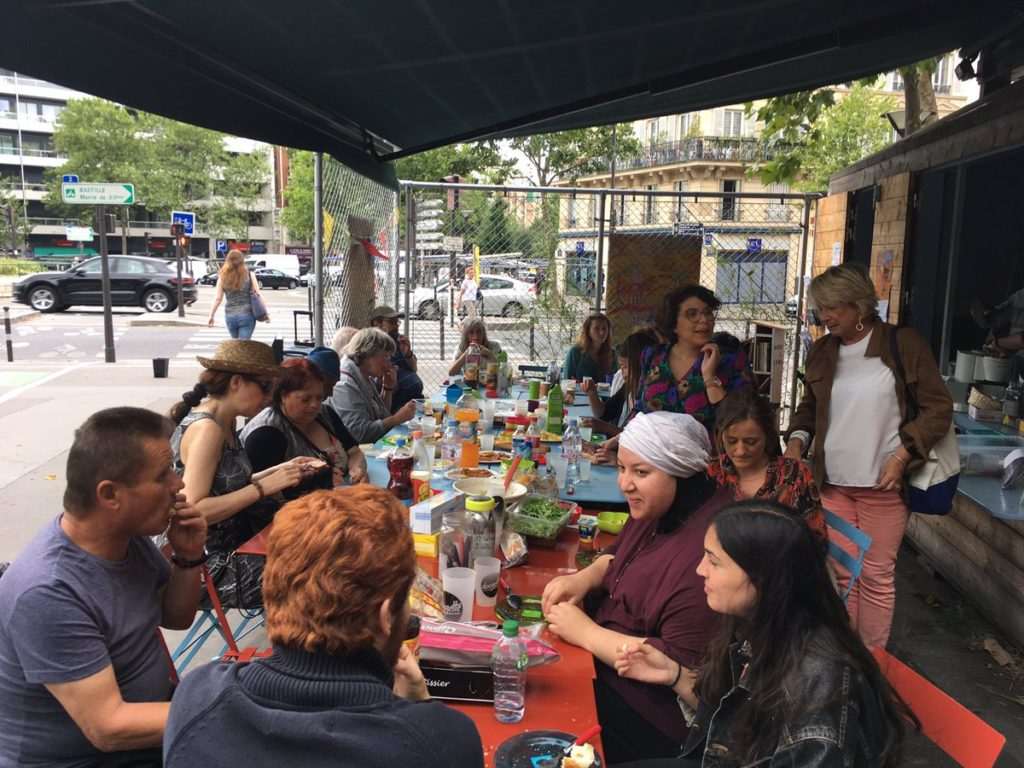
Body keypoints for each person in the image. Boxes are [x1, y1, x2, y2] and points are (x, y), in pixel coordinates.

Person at [163, 485, 484, 768]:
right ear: (386, 617)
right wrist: (420, 708)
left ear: (274, 589)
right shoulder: (443, 741)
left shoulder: (195, 700)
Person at [613, 501, 913, 768]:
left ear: (763, 579)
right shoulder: (763, 628)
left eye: (714, 561)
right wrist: (674, 674)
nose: (700, 570)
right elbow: (733, 720)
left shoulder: (819, 687)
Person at [0, 407, 208, 768]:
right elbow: (108, 727)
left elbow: (176, 617)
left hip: (146, 731)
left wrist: (188, 558)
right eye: (163, 475)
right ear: (110, 495)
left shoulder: (128, 540)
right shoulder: (49, 591)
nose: (179, 484)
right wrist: (223, 704)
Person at [541, 412, 732, 763]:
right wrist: (585, 577)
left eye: (641, 472)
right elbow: (619, 553)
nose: (624, 484)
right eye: (622, 468)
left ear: (680, 472)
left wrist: (585, 633)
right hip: (604, 668)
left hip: (651, 718)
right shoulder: (661, 509)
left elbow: (673, 665)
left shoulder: (707, 557)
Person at [784, 264, 952, 649]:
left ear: (859, 305)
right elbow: (810, 407)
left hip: (883, 483)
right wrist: (796, 440)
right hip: (833, 482)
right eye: (821, 308)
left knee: (876, 577)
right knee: (842, 575)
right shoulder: (824, 351)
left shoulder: (902, 344)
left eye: (834, 308)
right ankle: (848, 660)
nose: (825, 317)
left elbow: (938, 408)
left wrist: (903, 454)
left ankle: (874, 666)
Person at [170, 340, 319, 609]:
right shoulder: (208, 430)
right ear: (236, 382)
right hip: (209, 566)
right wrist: (262, 488)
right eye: (265, 387)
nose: (268, 396)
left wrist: (281, 472)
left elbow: (225, 485)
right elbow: (193, 510)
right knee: (321, 570)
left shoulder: (224, 422)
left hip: (233, 548)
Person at [707, 390, 826, 546]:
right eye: (731, 441)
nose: (740, 451)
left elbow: (815, 540)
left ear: (767, 436)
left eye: (751, 442)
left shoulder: (793, 476)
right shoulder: (713, 472)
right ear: (720, 437)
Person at [242, 358, 368, 494]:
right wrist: (319, 483)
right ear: (283, 396)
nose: (315, 405)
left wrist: (356, 469)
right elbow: (266, 493)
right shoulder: (266, 434)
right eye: (305, 399)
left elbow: (354, 451)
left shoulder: (325, 413)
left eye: (319, 398)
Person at [634, 285, 750, 431]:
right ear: (673, 323)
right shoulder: (652, 356)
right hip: (650, 450)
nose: (704, 320)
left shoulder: (729, 360)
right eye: (692, 314)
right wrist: (621, 437)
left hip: (705, 453)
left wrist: (710, 378)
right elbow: (639, 409)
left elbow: (740, 422)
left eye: (708, 313)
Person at [332, 328, 417, 443]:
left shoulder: (363, 373)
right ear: (367, 354)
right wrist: (397, 419)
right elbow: (360, 434)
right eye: (385, 357)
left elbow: (381, 416)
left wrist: (387, 388)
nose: (389, 365)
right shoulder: (344, 384)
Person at [583, 328, 660, 436]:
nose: (622, 372)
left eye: (625, 367)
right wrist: (592, 393)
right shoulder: (628, 386)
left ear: (642, 365)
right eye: (621, 367)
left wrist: (605, 427)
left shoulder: (650, 397)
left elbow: (640, 439)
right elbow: (604, 413)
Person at [369, 304, 424, 413]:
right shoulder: (372, 341)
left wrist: (408, 353)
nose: (396, 326)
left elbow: (413, 369)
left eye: (397, 322)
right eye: (392, 322)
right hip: (387, 385)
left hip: (409, 391)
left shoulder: (397, 339)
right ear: (377, 323)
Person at [207, 249, 267, 340]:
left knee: (236, 346)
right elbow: (257, 294)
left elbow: (218, 299)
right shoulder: (250, 275)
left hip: (230, 316)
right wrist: (265, 313)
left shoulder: (222, 278)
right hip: (247, 315)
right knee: (243, 346)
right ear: (242, 261)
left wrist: (211, 316)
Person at [564, 313, 614, 382]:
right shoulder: (575, 352)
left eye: (604, 328)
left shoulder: (612, 353)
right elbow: (567, 381)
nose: (602, 332)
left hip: (605, 393)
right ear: (588, 331)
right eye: (596, 328)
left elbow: (615, 381)